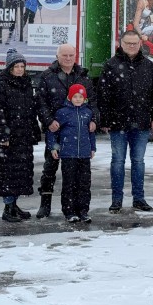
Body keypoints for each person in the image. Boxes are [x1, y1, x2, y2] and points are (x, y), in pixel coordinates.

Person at [99, 29, 153, 213]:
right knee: (117, 161)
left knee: (138, 162)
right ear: (121, 44)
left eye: (135, 43)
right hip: (118, 124)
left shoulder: (148, 66)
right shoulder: (111, 65)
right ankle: (116, 200)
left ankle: (139, 199)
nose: (132, 46)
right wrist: (105, 119)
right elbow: (103, 95)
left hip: (141, 123)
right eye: (128, 43)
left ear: (140, 44)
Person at [35, 44, 98, 218]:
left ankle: (78, 208)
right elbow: (40, 102)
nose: (68, 58)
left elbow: (92, 101)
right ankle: (45, 204)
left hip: (77, 133)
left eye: (71, 55)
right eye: (64, 55)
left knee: (78, 175)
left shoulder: (83, 76)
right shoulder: (48, 76)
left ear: (75, 55)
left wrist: (94, 119)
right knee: (50, 168)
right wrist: (49, 121)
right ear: (57, 56)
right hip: (56, 130)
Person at [0, 49, 41, 223]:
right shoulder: (2, 85)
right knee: (8, 173)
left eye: (22, 66)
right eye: (16, 66)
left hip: (23, 136)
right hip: (9, 138)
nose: (19, 69)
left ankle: (14, 205)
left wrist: (34, 130)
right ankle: (8, 207)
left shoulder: (26, 84)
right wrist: (3, 133)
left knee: (20, 173)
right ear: (9, 68)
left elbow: (31, 110)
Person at [46, 84, 96, 223]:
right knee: (69, 183)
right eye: (75, 96)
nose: (78, 99)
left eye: (81, 97)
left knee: (84, 184)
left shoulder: (88, 113)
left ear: (84, 98)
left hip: (84, 154)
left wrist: (92, 148)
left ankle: (83, 211)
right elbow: (52, 131)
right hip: (68, 154)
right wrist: (53, 147)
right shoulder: (63, 113)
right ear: (70, 97)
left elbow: (91, 133)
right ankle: (69, 211)